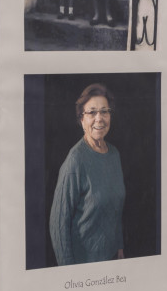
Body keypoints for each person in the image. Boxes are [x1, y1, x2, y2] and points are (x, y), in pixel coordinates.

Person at [50, 83, 125, 266]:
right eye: (92, 112)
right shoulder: (75, 161)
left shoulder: (114, 154)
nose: (99, 119)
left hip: (112, 259)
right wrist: (68, 273)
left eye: (104, 111)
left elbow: (115, 209)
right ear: (81, 119)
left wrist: (120, 249)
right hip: (83, 265)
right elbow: (57, 225)